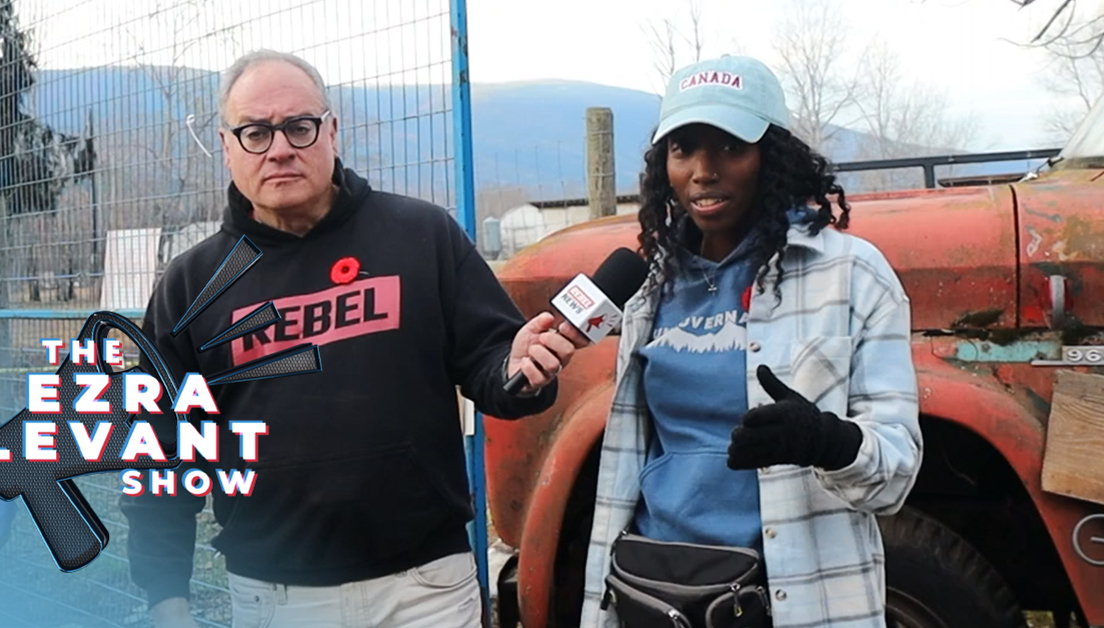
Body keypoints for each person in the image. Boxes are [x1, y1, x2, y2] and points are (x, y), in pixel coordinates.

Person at [121, 49, 587, 628]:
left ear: (331, 130)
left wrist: (519, 369)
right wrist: (165, 598)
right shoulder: (191, 285)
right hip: (276, 600)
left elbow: (494, 367)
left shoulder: (421, 236)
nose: (280, 148)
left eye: (299, 126)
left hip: (425, 593)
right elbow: (162, 454)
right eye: (256, 133)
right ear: (226, 146)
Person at [578, 55, 923, 628]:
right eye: (683, 149)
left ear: (773, 156)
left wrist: (827, 442)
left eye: (730, 147)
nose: (703, 171)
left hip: (790, 602)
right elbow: (625, 471)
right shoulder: (649, 286)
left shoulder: (853, 275)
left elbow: (897, 473)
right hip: (659, 590)